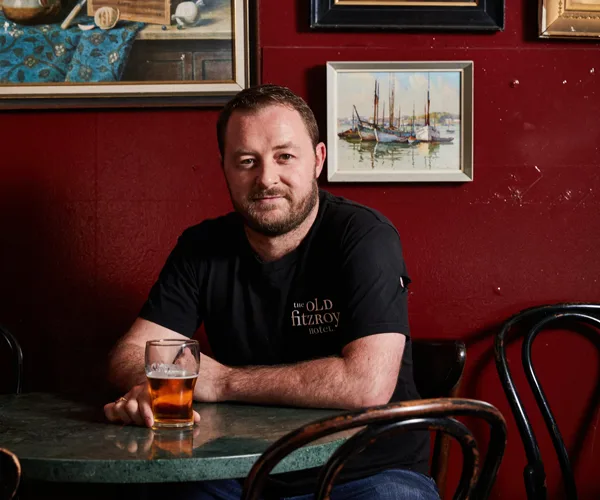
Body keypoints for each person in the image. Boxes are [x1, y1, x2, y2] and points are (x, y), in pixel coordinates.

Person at [103, 84, 438, 500]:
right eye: (247, 161)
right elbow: (130, 355)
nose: (266, 178)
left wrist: (222, 381)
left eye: (285, 156)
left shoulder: (363, 235)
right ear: (224, 167)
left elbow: (365, 383)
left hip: (367, 472)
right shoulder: (202, 247)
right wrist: (163, 390)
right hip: (236, 472)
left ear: (317, 160)